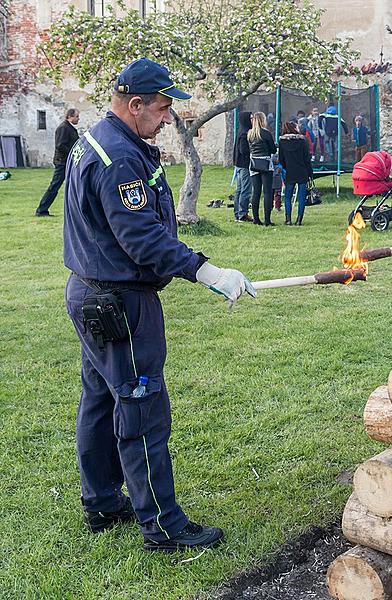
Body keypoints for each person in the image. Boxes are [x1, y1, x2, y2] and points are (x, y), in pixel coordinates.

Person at [62, 58, 255, 552]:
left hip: (92, 293)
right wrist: (207, 270)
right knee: (142, 408)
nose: (168, 118)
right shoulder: (120, 158)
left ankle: (103, 500)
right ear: (135, 105)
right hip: (120, 303)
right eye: (164, 107)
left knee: (102, 400)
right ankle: (164, 526)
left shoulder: (103, 140)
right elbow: (142, 240)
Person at [36, 108, 80, 216]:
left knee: (75, 186)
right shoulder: (64, 128)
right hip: (62, 162)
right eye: (77, 116)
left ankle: (75, 211)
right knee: (55, 186)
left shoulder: (69, 128)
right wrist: (72, 153)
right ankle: (42, 209)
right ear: (70, 116)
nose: (78, 119)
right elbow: (60, 145)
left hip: (68, 162)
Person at [279, 119, 314, 225]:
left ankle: (288, 219)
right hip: (302, 170)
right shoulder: (303, 141)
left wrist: (286, 167)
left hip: (290, 171)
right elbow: (306, 158)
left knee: (288, 196)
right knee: (301, 196)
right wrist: (310, 173)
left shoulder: (282, 142)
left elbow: (281, 159)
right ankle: (299, 219)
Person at [247, 111, 276, 226]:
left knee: (256, 192)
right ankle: (267, 220)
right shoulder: (266, 133)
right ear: (263, 120)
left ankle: (256, 218)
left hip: (254, 163)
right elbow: (273, 149)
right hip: (265, 163)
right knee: (267, 192)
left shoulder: (249, 134)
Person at [232, 111, 253, 222]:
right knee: (245, 189)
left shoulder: (241, 131)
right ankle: (242, 214)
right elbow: (243, 150)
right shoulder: (244, 133)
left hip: (239, 164)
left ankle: (238, 213)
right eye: (250, 118)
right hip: (244, 165)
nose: (252, 121)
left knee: (239, 189)